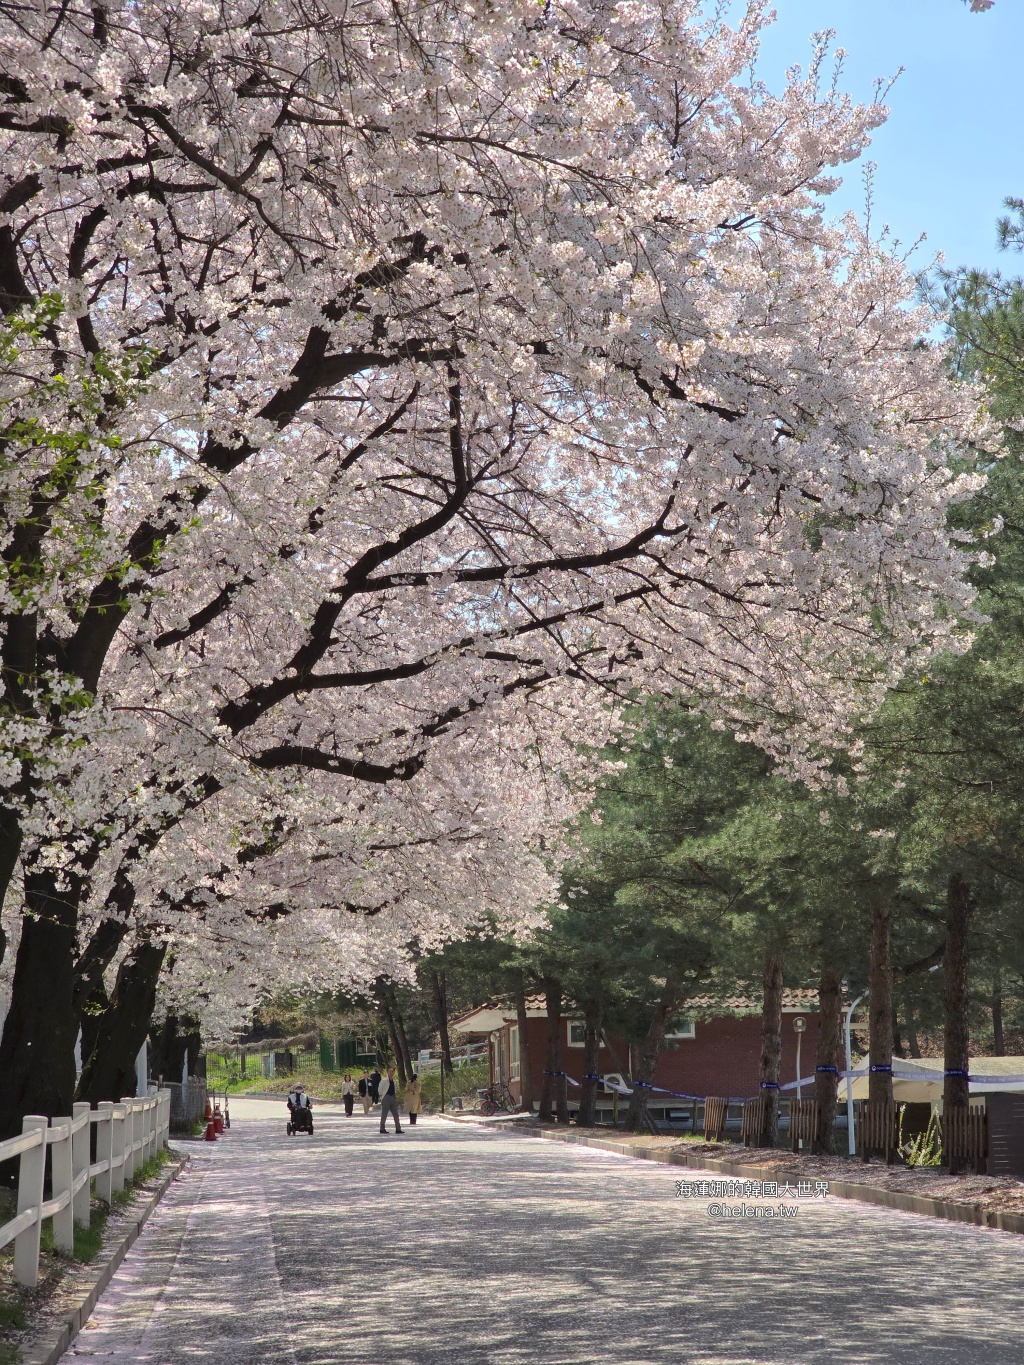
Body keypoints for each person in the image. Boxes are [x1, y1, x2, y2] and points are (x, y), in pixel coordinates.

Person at [378, 1066, 403, 1134]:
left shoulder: (394, 1081)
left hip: (393, 1098)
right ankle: (382, 1128)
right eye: (390, 1071)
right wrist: (383, 1096)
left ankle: (398, 1129)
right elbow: (379, 1090)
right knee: (384, 1114)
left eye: (392, 1071)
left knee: (396, 1114)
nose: (391, 1073)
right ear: (387, 1072)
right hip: (386, 1098)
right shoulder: (384, 1080)